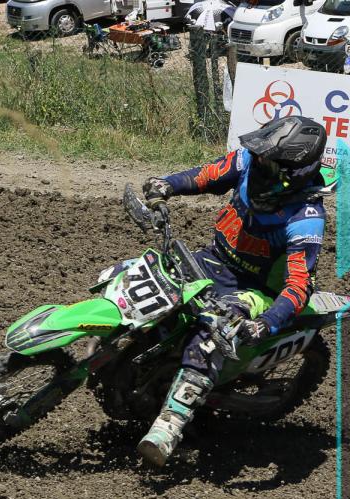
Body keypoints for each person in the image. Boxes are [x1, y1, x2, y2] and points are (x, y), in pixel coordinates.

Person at [136, 115, 329, 467]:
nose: (258, 161)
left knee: (209, 338)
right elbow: (207, 175)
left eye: (267, 160)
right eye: (259, 155)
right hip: (211, 261)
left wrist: (267, 322)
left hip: (254, 291)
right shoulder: (247, 161)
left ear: (291, 172)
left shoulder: (305, 217)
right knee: (145, 283)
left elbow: (300, 284)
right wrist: (167, 185)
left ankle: (169, 425)